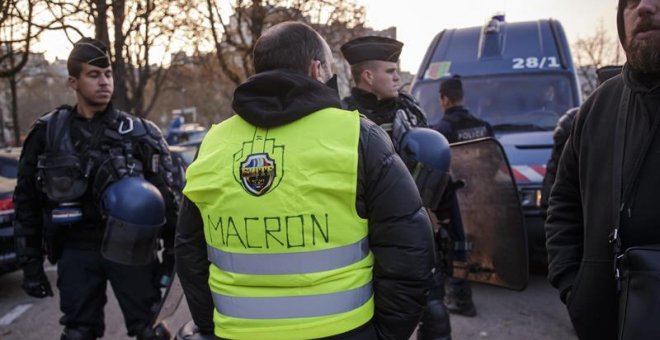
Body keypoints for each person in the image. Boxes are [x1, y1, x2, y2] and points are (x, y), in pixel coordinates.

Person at [175, 22, 435, 340]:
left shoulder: (214, 144)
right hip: (346, 332)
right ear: (316, 69)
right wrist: (386, 334)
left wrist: (211, 325)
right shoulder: (358, 136)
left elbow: (189, 252)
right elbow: (409, 249)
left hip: (238, 333)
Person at [13, 38, 181, 340]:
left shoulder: (139, 133)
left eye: (108, 74)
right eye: (94, 75)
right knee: (78, 333)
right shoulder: (47, 133)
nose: (104, 82)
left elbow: (167, 199)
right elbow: (26, 202)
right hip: (75, 249)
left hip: (132, 249)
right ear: (73, 82)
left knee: (151, 330)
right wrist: (31, 265)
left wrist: (173, 254)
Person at [545, 0, 660, 339]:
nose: (643, 8)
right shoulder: (598, 107)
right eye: (631, 2)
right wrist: (573, 286)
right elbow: (563, 203)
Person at [340, 36, 451, 339]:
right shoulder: (341, 117)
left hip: (417, 227)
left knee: (434, 312)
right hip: (367, 233)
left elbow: (438, 167)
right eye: (390, 71)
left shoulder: (411, 111)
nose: (397, 77)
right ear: (368, 76)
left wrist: (437, 213)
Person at [432, 75, 494, 317]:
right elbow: (492, 162)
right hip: (482, 197)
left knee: (457, 248)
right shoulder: (483, 126)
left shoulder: (441, 131)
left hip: (457, 200)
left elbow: (439, 174)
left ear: (444, 99)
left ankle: (461, 300)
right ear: (462, 96)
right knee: (475, 245)